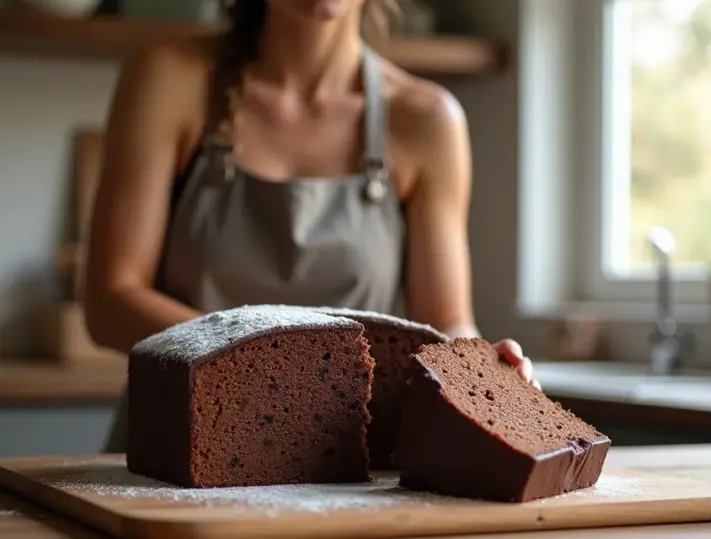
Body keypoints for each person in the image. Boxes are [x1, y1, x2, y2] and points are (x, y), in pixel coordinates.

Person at [83, 0, 539, 453]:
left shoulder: (427, 119)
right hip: (174, 449)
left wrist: (483, 370)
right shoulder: (168, 78)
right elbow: (111, 302)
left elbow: (446, 323)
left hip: (339, 458)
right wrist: (279, 363)